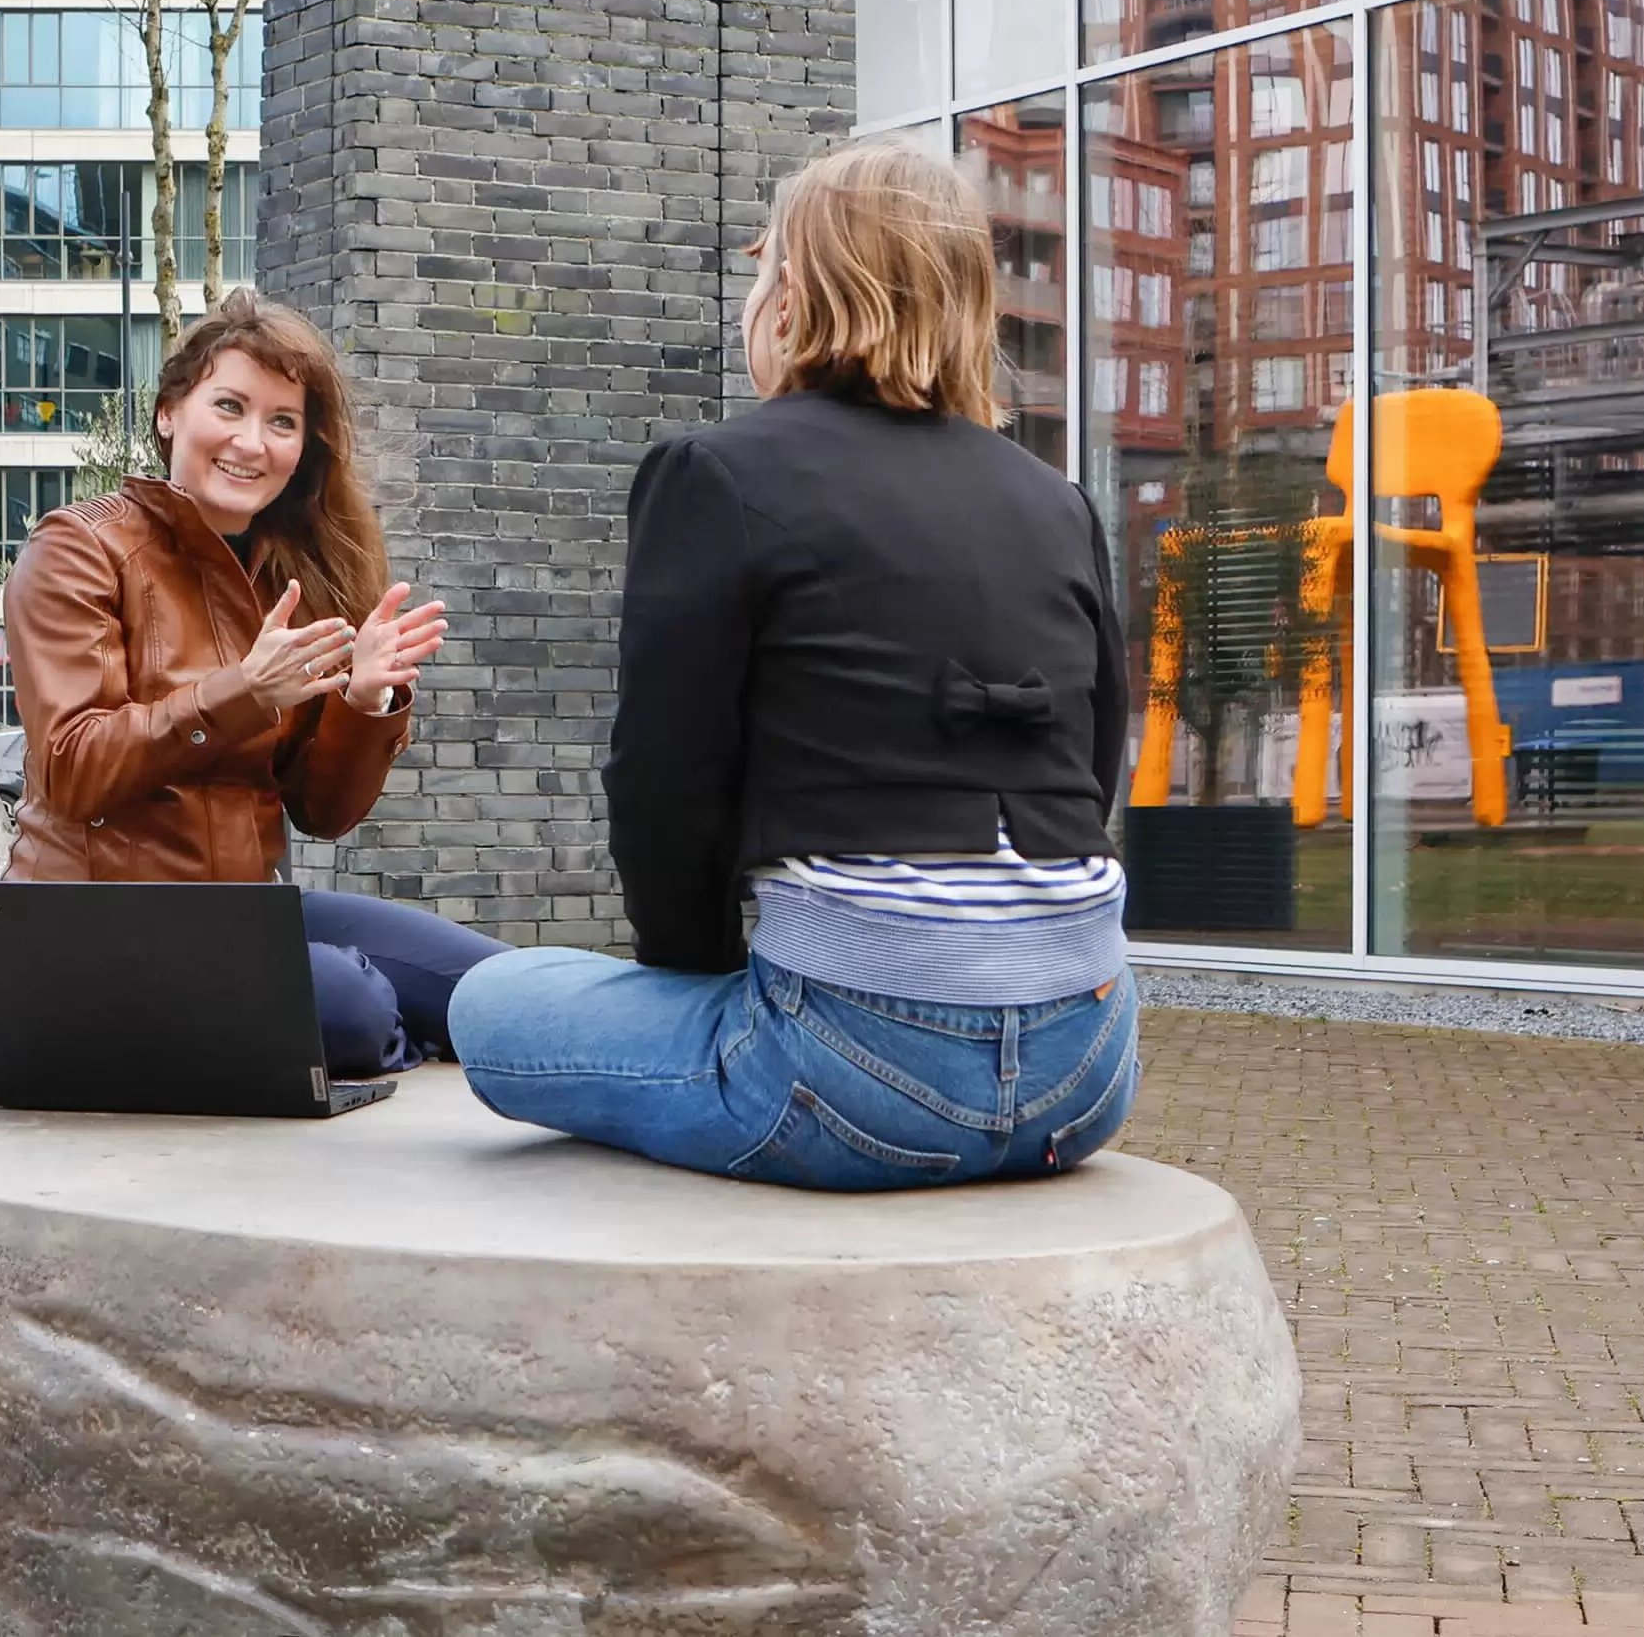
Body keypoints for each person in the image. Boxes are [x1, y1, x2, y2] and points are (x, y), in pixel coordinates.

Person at [449, 139, 1136, 1190]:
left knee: (492, 1003)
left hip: (852, 1075)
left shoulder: (716, 474)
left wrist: (693, 978)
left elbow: (665, 782)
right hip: (1085, 1072)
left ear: (799, 289)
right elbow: (1094, 764)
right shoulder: (1058, 502)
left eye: (764, 261)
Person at [0, 288, 506, 1076]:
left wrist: (362, 703)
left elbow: (322, 814)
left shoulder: (288, 573)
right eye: (229, 407)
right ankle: (384, 1031)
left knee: (512, 988)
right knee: (353, 1006)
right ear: (170, 412)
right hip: (96, 926)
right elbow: (73, 768)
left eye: (282, 422)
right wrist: (244, 693)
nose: (251, 442)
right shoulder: (79, 549)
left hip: (245, 915)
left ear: (304, 447)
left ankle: (400, 1030)